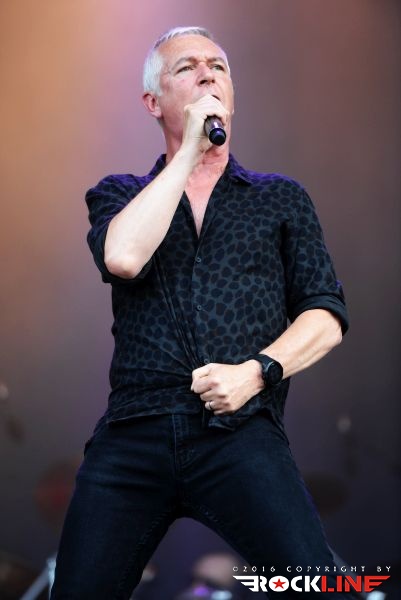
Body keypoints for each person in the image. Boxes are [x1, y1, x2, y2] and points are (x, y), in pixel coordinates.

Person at [51, 27, 353, 599]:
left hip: (239, 430)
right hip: (134, 432)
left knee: (320, 587)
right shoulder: (119, 193)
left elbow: (326, 313)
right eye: (186, 67)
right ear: (153, 102)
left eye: (218, 65)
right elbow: (123, 257)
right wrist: (189, 151)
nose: (208, 73)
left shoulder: (279, 197)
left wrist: (256, 372)